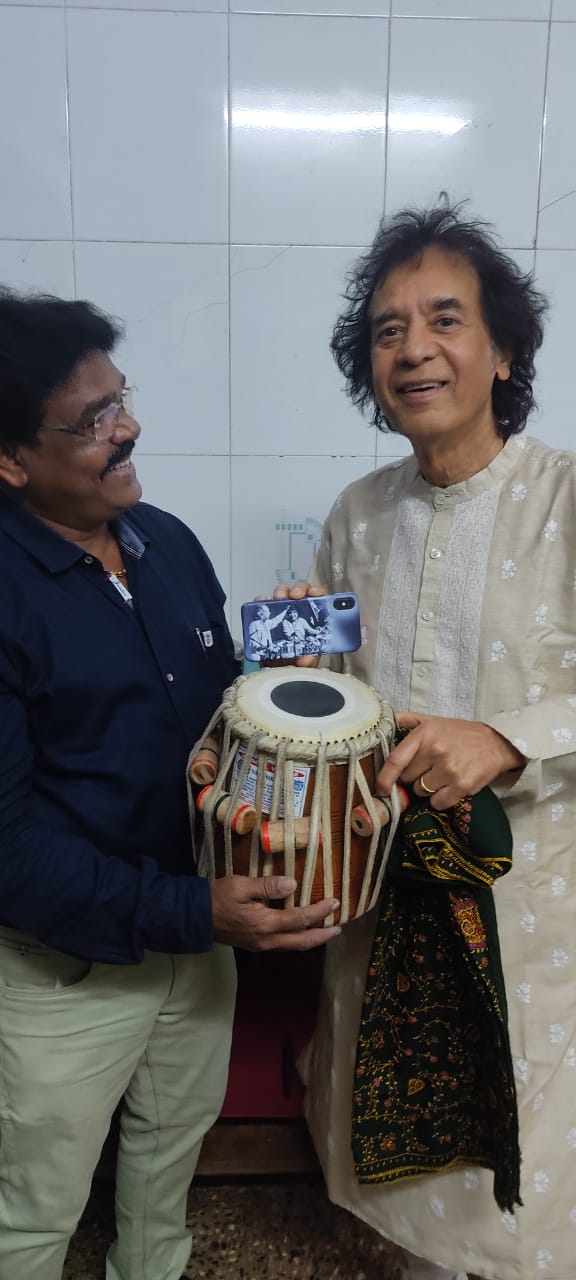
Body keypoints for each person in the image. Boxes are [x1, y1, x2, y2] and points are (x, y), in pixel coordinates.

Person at [0, 289, 341, 1280]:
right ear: (12, 460)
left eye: (123, 398)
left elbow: (213, 717)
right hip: (67, 968)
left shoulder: (167, 542)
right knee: (36, 1206)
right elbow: (9, 844)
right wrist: (192, 907)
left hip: (199, 941)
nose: (129, 427)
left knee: (166, 1164)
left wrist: (282, 678)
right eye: (92, 419)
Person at [274, 203, 576, 1280]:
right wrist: (296, 680)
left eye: (445, 319)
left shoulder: (565, 496)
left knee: (533, 1181)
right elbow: (347, 702)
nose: (413, 349)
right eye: (389, 329)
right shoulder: (357, 511)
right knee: (407, 1204)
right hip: (391, 895)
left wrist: (506, 733)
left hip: (538, 912)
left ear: (503, 350)